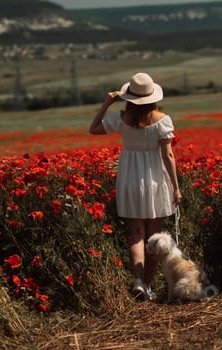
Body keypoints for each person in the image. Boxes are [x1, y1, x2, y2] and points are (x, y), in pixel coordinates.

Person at [89, 72, 182, 301]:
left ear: (129, 97)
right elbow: (168, 155)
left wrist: (106, 103)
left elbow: (94, 129)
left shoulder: (121, 118)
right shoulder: (162, 120)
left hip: (129, 177)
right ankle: (147, 286)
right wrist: (176, 187)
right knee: (153, 236)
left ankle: (140, 281)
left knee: (136, 234)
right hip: (155, 180)